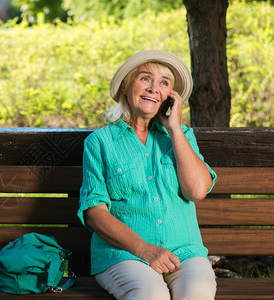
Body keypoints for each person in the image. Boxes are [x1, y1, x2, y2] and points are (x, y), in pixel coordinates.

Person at [77, 50, 217, 300]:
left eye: (164, 83)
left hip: (184, 252)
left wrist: (174, 127)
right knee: (150, 295)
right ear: (125, 87)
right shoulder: (100, 143)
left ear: (170, 97)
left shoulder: (182, 136)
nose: (154, 88)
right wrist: (146, 251)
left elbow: (196, 190)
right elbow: (95, 214)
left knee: (198, 293)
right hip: (124, 255)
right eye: (145, 78)